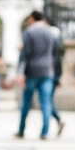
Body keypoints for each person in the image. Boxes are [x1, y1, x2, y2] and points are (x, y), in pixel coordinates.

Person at [16, 11, 58, 140]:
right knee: (46, 103)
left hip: (32, 72)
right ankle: (45, 132)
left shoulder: (29, 32)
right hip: (48, 71)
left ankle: (21, 130)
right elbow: (56, 55)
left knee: (26, 102)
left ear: (32, 18)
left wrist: (20, 73)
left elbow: (24, 55)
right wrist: (58, 74)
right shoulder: (51, 32)